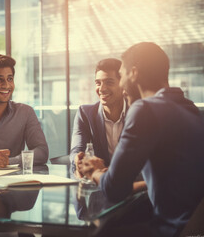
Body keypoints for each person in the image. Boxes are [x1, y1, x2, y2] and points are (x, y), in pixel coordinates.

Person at [84, 42, 204, 236]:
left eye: (120, 76)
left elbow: (114, 190)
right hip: (192, 226)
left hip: (170, 228)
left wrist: (95, 173)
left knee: (97, 230)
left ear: (134, 73)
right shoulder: (189, 108)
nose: (121, 85)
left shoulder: (145, 109)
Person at [70, 58, 128, 177]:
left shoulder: (137, 111)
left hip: (132, 183)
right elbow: (77, 149)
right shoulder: (85, 113)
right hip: (99, 183)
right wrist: (78, 159)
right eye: (98, 83)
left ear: (123, 84)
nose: (101, 89)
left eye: (109, 82)